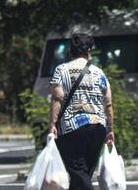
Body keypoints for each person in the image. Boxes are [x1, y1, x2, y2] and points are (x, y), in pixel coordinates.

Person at [49, 32, 114, 190]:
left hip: (72, 127)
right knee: (83, 173)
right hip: (98, 127)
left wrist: (52, 124)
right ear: (89, 50)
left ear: (70, 51)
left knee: (78, 171)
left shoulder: (61, 70)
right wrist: (110, 129)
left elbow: (57, 99)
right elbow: (108, 103)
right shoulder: (99, 73)